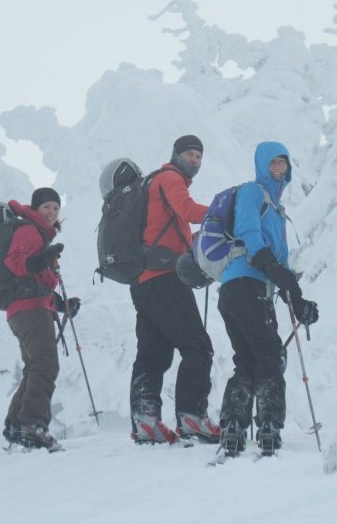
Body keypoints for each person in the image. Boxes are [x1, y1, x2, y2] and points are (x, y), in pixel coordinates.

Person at [217, 141, 319, 458]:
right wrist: (271, 267)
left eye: (283, 163)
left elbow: (283, 266)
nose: (279, 168)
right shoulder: (252, 192)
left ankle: (233, 427)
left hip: (243, 288)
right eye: (274, 163)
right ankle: (269, 426)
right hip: (247, 283)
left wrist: (298, 301)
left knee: (248, 359)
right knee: (270, 354)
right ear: (263, 164)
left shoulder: (277, 210)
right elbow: (249, 231)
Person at [128, 135, 222, 445]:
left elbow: (174, 227)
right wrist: (227, 211)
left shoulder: (153, 185)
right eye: (190, 154)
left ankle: (146, 421)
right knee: (198, 347)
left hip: (143, 281)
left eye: (199, 156)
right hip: (165, 279)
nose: (195, 160)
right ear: (176, 155)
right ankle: (192, 417)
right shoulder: (169, 178)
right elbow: (189, 209)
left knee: (153, 353)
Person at [2, 187, 75, 451]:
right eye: (46, 207)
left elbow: (37, 280)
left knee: (34, 366)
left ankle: (16, 426)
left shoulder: (41, 235)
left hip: (29, 307)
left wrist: (61, 304)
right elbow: (16, 263)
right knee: (45, 365)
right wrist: (39, 260)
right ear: (35, 209)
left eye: (55, 208)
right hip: (29, 309)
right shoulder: (29, 230)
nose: (52, 212)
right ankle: (32, 425)